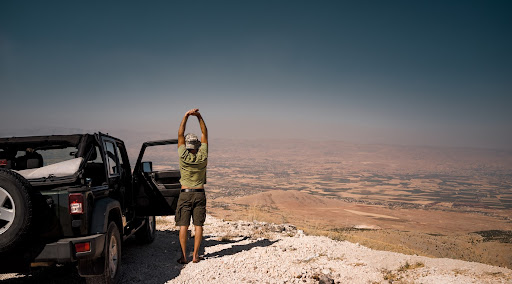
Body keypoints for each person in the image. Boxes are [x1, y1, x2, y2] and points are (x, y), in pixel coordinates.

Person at [176, 108, 208, 264]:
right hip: (200, 193)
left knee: (183, 225)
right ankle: (195, 256)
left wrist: (186, 116)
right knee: (198, 225)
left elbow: (180, 134)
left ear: (187, 145)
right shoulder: (203, 155)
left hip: (185, 193)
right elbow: (205, 133)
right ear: (197, 145)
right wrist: (199, 117)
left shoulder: (183, 155)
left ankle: (184, 256)